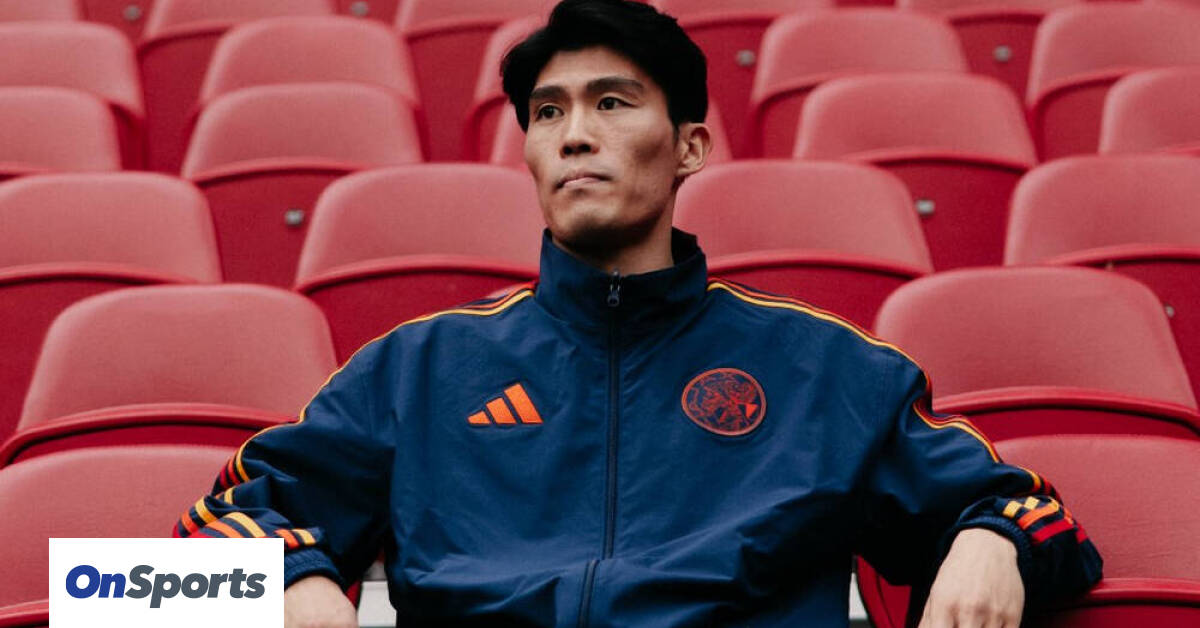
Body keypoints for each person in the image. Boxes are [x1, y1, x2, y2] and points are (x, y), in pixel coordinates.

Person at [174, 1, 1102, 626]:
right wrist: (293, 583)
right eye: (547, 114)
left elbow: (1033, 513)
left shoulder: (821, 368)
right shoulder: (420, 369)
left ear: (689, 146)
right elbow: (169, 564)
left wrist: (992, 540)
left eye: (611, 103)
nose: (574, 134)